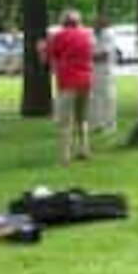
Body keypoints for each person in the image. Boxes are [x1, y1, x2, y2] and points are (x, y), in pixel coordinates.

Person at [44, 9, 95, 164]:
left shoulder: (59, 36)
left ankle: (65, 156)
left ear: (63, 22)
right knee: (83, 118)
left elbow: (49, 58)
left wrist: (41, 48)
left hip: (67, 81)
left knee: (65, 121)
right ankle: (84, 150)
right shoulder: (87, 35)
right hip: (86, 80)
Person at [89, 17, 118, 134]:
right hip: (96, 70)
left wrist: (88, 57)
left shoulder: (107, 35)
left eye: (95, 24)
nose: (93, 26)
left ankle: (110, 125)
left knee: (107, 97)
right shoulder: (97, 35)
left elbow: (104, 55)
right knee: (96, 98)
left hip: (105, 70)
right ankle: (98, 123)